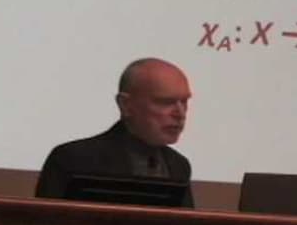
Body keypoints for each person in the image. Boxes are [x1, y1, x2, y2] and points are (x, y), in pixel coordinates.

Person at [35, 58, 194, 207]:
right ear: (125, 105)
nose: (180, 113)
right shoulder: (73, 159)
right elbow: (45, 224)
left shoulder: (179, 165)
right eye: (165, 102)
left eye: (184, 102)